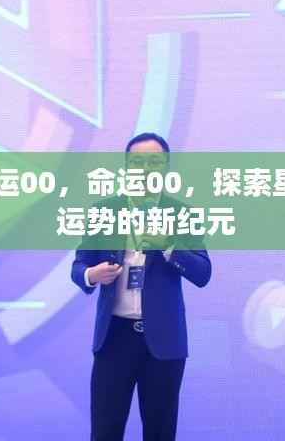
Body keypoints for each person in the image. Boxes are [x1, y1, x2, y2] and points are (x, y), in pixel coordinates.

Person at [71, 132, 212, 441]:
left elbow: (203, 273)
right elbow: (78, 267)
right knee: (105, 432)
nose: (145, 170)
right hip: (114, 339)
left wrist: (168, 246)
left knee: (160, 433)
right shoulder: (104, 211)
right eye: (137, 162)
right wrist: (92, 274)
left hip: (163, 341)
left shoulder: (181, 213)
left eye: (154, 162)